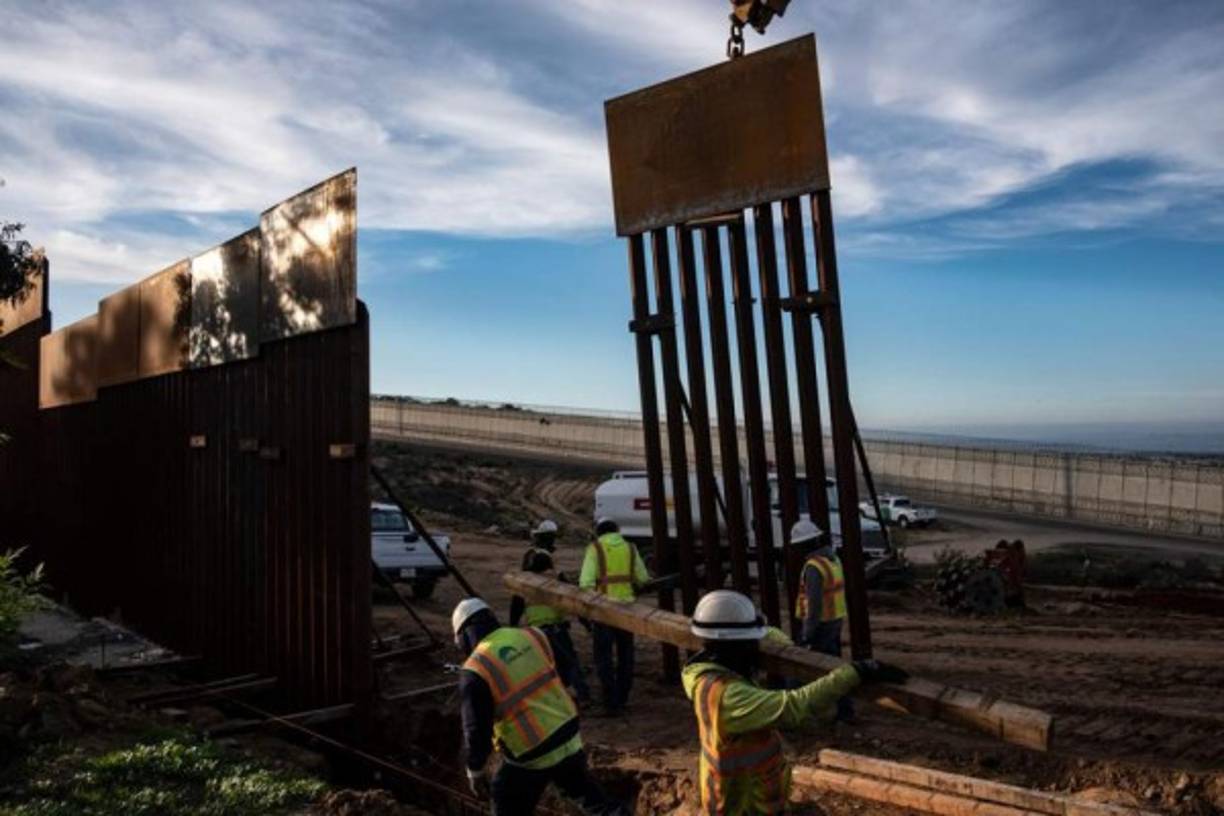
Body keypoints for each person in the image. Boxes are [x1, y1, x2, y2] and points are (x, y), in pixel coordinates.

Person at [683, 590, 908, 815]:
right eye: (750, 643)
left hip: (745, 797)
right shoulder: (729, 697)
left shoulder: (709, 671)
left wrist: (786, 647)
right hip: (745, 807)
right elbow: (795, 706)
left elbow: (762, 635)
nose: (754, 647)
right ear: (731, 647)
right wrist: (856, 672)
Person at [452, 598, 624, 816]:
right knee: (593, 799)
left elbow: (477, 730)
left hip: (530, 752)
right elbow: (565, 667)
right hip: (568, 734)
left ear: (463, 637)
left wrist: (475, 770)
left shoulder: (475, 669)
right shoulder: (532, 634)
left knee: (505, 799)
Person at [579, 517, 649, 715]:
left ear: (599, 532)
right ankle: (623, 697)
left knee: (604, 658)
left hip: (604, 612)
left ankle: (610, 702)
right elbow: (643, 579)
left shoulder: (595, 549)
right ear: (617, 530)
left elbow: (585, 583)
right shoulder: (631, 548)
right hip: (627, 611)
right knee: (626, 656)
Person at [509, 549, 592, 704]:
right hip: (557, 629)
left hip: (536, 633)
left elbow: (516, 608)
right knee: (570, 663)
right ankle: (582, 696)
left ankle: (551, 699)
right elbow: (573, 602)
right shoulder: (557, 578)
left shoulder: (524, 582)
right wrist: (586, 623)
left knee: (543, 667)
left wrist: (512, 628)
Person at [792, 519, 852, 721]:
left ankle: (790, 712)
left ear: (806, 544)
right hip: (835, 620)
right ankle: (845, 711)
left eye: (798, 545)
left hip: (820, 625)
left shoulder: (813, 567)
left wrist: (807, 634)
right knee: (834, 668)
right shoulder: (833, 560)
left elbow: (814, 604)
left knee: (798, 668)